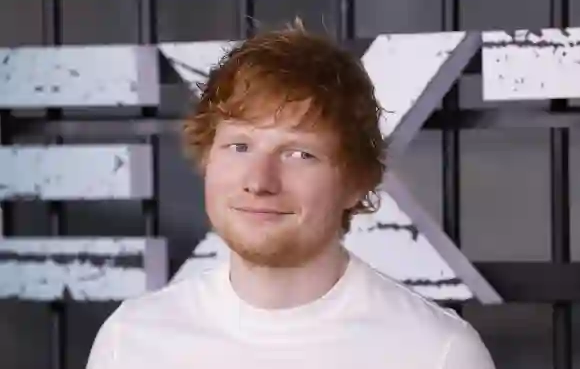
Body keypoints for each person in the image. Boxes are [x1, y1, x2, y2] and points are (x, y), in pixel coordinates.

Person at [86, 20, 496, 369]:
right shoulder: (130, 342)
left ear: (356, 181)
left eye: (299, 153)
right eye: (240, 146)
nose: (259, 181)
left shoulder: (437, 355)